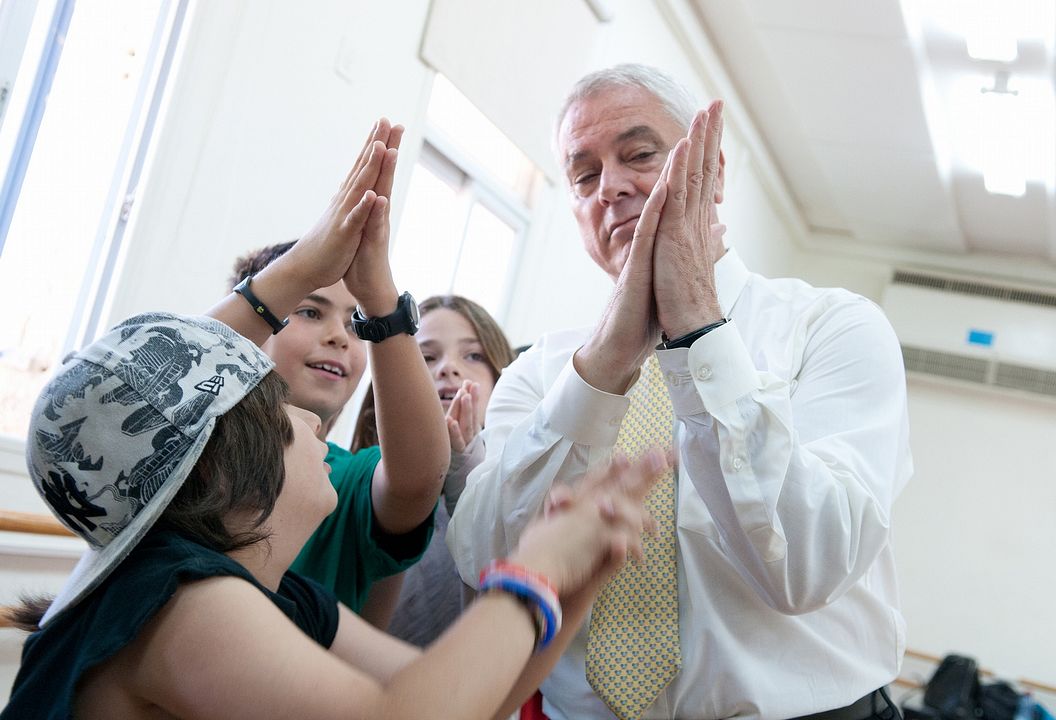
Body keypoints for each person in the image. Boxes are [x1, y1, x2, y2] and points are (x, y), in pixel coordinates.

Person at [1, 120, 668, 720]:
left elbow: (475, 704)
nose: (315, 427)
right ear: (226, 465)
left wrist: (573, 581)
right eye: (283, 415)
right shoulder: (170, 592)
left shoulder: (282, 598)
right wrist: (534, 568)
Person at [447, 64, 912, 720]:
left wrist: (696, 327)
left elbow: (807, 566)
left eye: (639, 155)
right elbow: (483, 554)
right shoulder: (541, 372)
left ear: (713, 173)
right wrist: (603, 368)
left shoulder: (834, 328)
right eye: (584, 175)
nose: (610, 186)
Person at [225, 120, 450, 623]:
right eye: (310, 311)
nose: (341, 336)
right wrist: (303, 264)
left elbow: (418, 480)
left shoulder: (345, 480)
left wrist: (382, 304)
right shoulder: (197, 451)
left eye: (356, 322)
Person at [352, 295, 516, 645]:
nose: (447, 369)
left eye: (473, 355)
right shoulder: (357, 488)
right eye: (425, 357)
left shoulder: (525, 493)